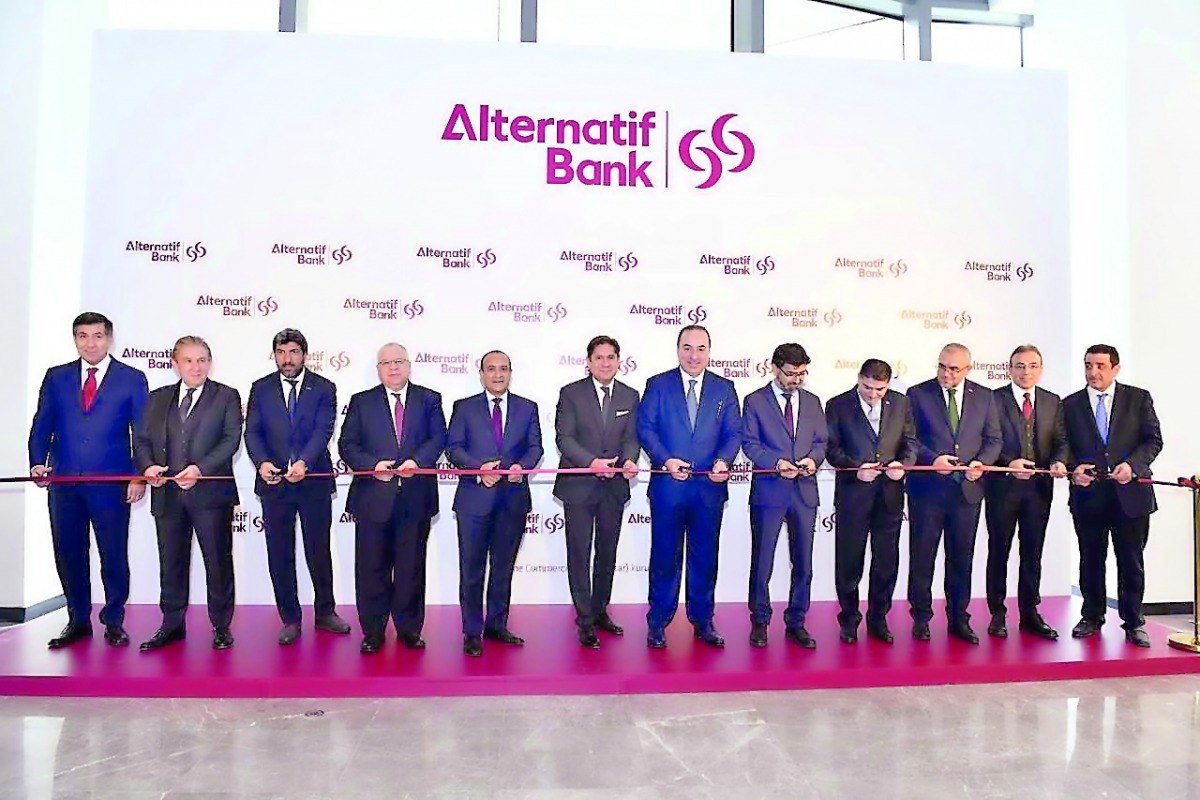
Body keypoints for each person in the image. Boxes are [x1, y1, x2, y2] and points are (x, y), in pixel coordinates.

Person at [28, 312, 149, 649]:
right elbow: (42, 424)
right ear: (75, 339)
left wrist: (138, 475)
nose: (90, 343)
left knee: (113, 554)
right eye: (83, 336)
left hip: (111, 484)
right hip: (64, 483)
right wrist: (38, 463)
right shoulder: (57, 377)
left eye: (97, 336)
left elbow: (142, 433)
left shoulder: (131, 378)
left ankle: (113, 620)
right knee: (69, 554)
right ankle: (77, 619)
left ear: (109, 339)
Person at [134, 336, 242, 651]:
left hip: (210, 495)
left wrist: (199, 469)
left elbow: (230, 440)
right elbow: (141, 439)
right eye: (188, 360)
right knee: (171, 562)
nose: (196, 367)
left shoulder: (227, 396)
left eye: (202, 360)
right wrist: (148, 467)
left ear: (210, 362)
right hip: (167, 496)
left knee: (218, 564)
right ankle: (171, 625)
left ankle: (221, 626)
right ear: (175, 363)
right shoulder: (156, 399)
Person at [638, 325, 742, 649]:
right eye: (687, 347)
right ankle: (658, 622)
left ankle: (703, 620)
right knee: (665, 556)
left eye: (700, 348)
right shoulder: (658, 385)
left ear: (710, 351)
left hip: (709, 491)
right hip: (669, 488)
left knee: (705, 557)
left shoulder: (725, 388)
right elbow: (646, 428)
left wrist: (724, 461)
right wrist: (666, 459)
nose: (693, 355)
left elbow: (733, 433)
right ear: (677, 349)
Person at [338, 343, 447, 653]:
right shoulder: (361, 402)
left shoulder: (429, 399)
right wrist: (372, 467)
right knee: (371, 568)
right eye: (386, 363)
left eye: (399, 361)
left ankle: (409, 629)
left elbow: (438, 436)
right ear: (378, 369)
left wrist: (417, 461)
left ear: (409, 365)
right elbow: (347, 444)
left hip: (415, 497)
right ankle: (373, 631)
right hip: (374, 497)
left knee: (412, 568)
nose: (393, 367)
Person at [244, 328, 350, 645]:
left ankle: (325, 612)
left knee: (318, 550)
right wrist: (262, 463)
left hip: (313, 481)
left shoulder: (324, 387)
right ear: (274, 354)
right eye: (281, 352)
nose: (287, 359)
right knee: (280, 553)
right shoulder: (260, 388)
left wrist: (304, 462)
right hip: (274, 484)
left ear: (304, 354)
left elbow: (323, 430)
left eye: (293, 352)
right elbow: (253, 432)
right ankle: (290, 618)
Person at [1062, 344, 1162, 648]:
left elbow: (1153, 440)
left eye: (1100, 366)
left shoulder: (1138, 398)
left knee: (1130, 561)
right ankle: (1092, 615)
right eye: (1088, 365)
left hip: (1130, 496)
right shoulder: (1070, 404)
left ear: (1115, 368)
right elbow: (1062, 445)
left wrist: (1132, 466)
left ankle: (1133, 622)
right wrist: (1071, 468)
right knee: (1091, 559)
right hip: (1088, 495)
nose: (1093, 372)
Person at [446, 350, 543, 657]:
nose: (498, 374)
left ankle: (497, 625)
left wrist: (521, 468)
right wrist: (480, 470)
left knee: (503, 568)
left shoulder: (528, 408)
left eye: (503, 369)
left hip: (512, 501)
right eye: (491, 369)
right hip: (474, 500)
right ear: (482, 373)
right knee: (471, 569)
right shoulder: (464, 408)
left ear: (510, 373)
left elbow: (535, 447)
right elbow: (454, 449)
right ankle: (472, 631)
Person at [906, 343, 1001, 644]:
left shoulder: (984, 396)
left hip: (967, 493)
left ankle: (959, 618)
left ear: (968, 369)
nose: (946, 373)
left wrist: (981, 463)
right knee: (922, 557)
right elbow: (909, 439)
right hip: (927, 492)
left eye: (953, 369)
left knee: (961, 558)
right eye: (942, 366)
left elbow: (993, 439)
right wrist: (932, 459)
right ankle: (921, 618)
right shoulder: (917, 394)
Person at [552, 335, 641, 649]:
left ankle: (601, 610)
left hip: (613, 488)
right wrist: (592, 463)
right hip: (579, 486)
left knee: (607, 552)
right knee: (579, 554)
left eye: (611, 357)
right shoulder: (571, 393)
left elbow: (633, 437)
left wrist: (629, 460)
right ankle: (584, 620)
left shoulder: (631, 395)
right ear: (588, 362)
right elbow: (565, 438)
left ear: (619, 361)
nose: (605, 363)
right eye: (599, 357)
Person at [824, 358, 917, 645]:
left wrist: (903, 463)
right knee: (849, 562)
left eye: (880, 389)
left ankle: (879, 619)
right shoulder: (837, 405)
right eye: (867, 387)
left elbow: (911, 442)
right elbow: (831, 449)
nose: (873, 394)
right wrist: (855, 467)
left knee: (886, 561)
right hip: (853, 495)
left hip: (889, 496)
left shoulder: (901, 403)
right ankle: (849, 620)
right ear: (858, 378)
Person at [741, 343, 827, 648]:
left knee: (803, 561)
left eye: (802, 373)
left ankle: (797, 621)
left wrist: (812, 461)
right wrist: (775, 464)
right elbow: (750, 444)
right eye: (791, 374)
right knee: (762, 560)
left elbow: (821, 441)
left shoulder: (814, 402)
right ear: (774, 368)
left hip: (804, 492)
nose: (797, 380)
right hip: (769, 492)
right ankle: (760, 620)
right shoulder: (755, 401)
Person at [983, 345, 1068, 640]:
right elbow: (987, 442)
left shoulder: (1053, 401)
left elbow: (1061, 441)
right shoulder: (992, 399)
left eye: (1032, 366)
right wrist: (1008, 463)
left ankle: (1030, 613)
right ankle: (997, 613)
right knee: (999, 552)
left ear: (1041, 370)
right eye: (1019, 366)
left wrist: (1059, 461)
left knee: (1032, 553)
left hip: (1038, 491)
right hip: (1002, 488)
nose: (1026, 372)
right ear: (1009, 369)